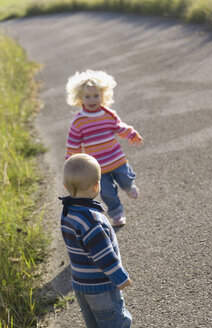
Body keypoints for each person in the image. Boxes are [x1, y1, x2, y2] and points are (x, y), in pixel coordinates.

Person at [60, 153, 132, 328]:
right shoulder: (92, 220)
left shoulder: (68, 211)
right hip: (101, 287)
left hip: (80, 283)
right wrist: (120, 277)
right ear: (96, 186)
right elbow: (103, 254)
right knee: (114, 322)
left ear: (65, 186)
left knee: (93, 322)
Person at [65, 69, 143, 227]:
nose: (92, 100)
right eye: (87, 97)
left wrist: (131, 134)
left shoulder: (108, 114)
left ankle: (129, 187)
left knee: (126, 178)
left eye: (96, 96)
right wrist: (70, 164)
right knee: (107, 193)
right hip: (98, 166)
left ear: (103, 96)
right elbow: (73, 143)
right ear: (80, 98)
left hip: (116, 158)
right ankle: (117, 213)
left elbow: (119, 128)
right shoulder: (79, 121)